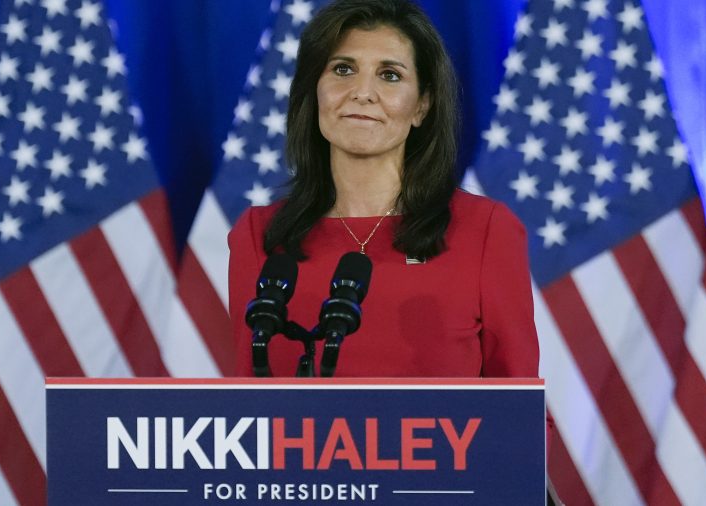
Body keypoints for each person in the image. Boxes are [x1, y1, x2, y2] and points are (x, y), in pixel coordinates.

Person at [228, 0, 539, 380]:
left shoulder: (486, 230)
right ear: (315, 91)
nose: (362, 92)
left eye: (389, 75)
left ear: (422, 105)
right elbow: (244, 405)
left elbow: (519, 412)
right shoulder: (258, 235)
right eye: (343, 69)